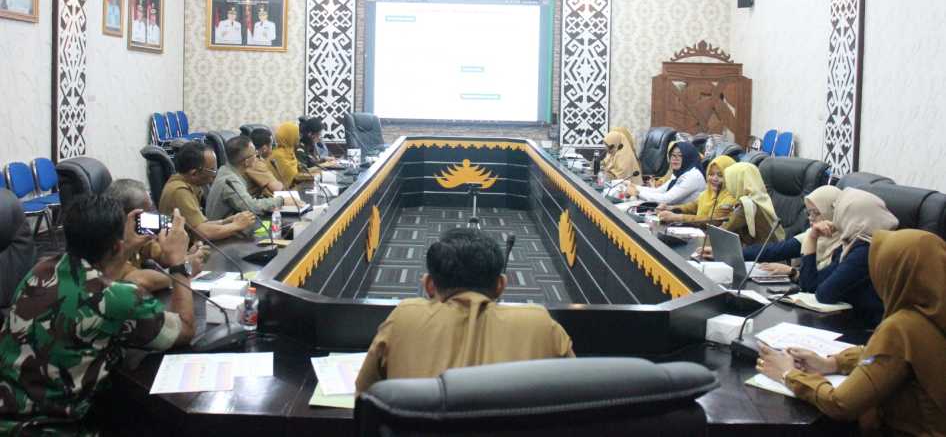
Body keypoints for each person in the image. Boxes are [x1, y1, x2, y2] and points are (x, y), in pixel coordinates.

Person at [0, 195, 195, 429]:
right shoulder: (120, 299)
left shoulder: (39, 270)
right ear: (116, 245)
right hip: (49, 429)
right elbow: (185, 329)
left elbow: (95, 283)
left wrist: (124, 249)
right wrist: (179, 263)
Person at [756, 229, 946, 435]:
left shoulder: (902, 327)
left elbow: (840, 404)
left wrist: (788, 374)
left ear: (894, 274)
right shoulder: (935, 312)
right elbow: (886, 357)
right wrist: (833, 363)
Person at [355, 228, 574, 393]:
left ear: (429, 285)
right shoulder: (541, 325)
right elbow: (578, 402)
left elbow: (365, 397)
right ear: (501, 285)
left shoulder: (404, 319)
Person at [796, 188, 896, 326]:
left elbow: (824, 294)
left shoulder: (866, 250)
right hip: (851, 320)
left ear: (853, 216)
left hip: (870, 328)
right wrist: (812, 237)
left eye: (841, 213)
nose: (837, 218)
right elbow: (810, 285)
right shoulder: (851, 245)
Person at [105, 178, 208, 293]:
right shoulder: (109, 245)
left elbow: (162, 256)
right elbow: (142, 281)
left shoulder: (139, 233)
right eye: (147, 212)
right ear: (128, 216)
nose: (153, 217)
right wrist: (184, 270)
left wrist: (183, 254)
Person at [158, 141, 255, 241]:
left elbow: (200, 224)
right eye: (212, 170)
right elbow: (203, 233)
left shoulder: (187, 183)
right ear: (194, 173)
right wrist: (236, 226)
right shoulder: (179, 191)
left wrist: (226, 221)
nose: (215, 174)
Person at [742, 185, 843, 280]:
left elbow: (817, 282)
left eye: (816, 213)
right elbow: (776, 250)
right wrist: (738, 254)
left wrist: (792, 271)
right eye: (809, 213)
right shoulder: (812, 234)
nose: (810, 218)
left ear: (834, 213)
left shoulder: (844, 246)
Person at [206, 135, 285, 220]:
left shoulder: (226, 169)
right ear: (247, 161)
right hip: (223, 227)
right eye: (255, 154)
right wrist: (281, 200)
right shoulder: (230, 180)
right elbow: (252, 207)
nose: (257, 155)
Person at [717, 162, 783, 246]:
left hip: (762, 252)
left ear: (737, 182)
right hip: (772, 248)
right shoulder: (762, 197)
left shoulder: (747, 205)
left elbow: (724, 231)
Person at [657, 155, 736, 225]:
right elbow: (692, 207)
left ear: (730, 177)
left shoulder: (731, 198)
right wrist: (670, 208)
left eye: (720, 175)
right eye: (711, 174)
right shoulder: (707, 193)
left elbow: (714, 221)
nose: (714, 179)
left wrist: (677, 217)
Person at [626, 141, 705, 206]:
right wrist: (633, 186)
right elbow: (659, 191)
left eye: (680, 155)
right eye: (673, 155)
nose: (675, 158)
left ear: (689, 157)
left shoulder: (693, 176)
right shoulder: (679, 173)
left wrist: (638, 193)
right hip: (670, 213)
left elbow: (667, 199)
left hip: (685, 217)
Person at [271, 122, 316, 188]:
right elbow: (293, 177)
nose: (299, 137)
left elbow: (301, 170)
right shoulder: (278, 155)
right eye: (296, 135)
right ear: (289, 136)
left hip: (295, 187)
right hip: (284, 191)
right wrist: (315, 176)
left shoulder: (290, 151)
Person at [246, 127, 284, 198]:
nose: (272, 148)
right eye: (271, 145)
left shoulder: (251, 158)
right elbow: (277, 188)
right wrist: (280, 183)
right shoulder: (254, 162)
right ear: (264, 148)